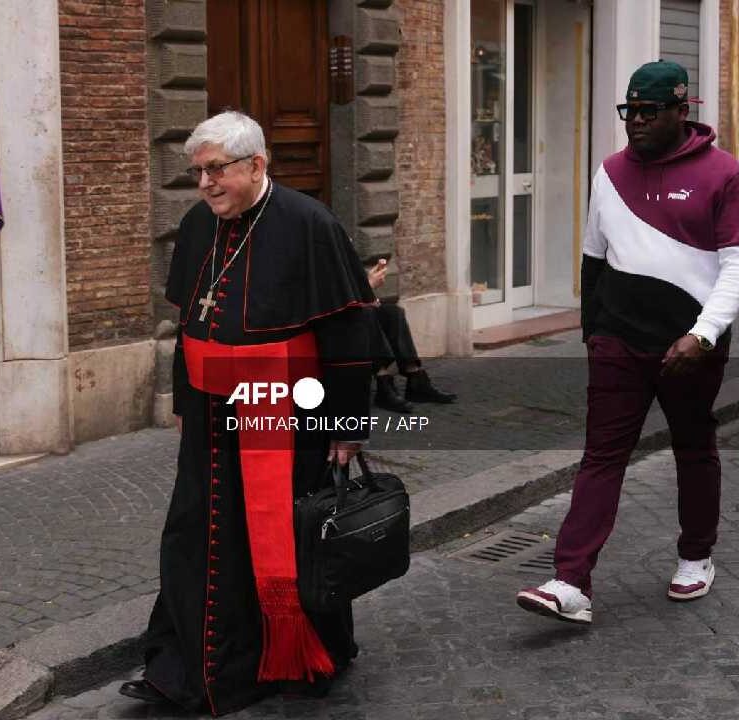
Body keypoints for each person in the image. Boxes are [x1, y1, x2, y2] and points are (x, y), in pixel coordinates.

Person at [121, 111, 377, 715]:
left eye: (216, 170)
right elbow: (187, 323)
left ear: (256, 164)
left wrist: (347, 425)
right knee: (198, 534)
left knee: (286, 538)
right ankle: (184, 666)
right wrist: (186, 397)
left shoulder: (310, 225)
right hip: (212, 417)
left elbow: (347, 331)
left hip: (284, 415)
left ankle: (296, 658)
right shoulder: (196, 224)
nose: (205, 184)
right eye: (198, 172)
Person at [517, 60, 739, 624]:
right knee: (602, 455)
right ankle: (570, 581)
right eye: (629, 111)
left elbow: (736, 267)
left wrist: (703, 334)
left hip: (690, 345)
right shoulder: (610, 171)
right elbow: (594, 256)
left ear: (680, 110)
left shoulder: (724, 173)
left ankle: (696, 555)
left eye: (648, 111)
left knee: (693, 446)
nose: (634, 122)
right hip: (618, 342)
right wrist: (594, 332)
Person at [365, 258, 456, 413]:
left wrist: (368, 293)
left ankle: (415, 378)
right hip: (338, 320)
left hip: (355, 307)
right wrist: (368, 286)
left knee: (393, 313)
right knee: (367, 315)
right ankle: (383, 383)